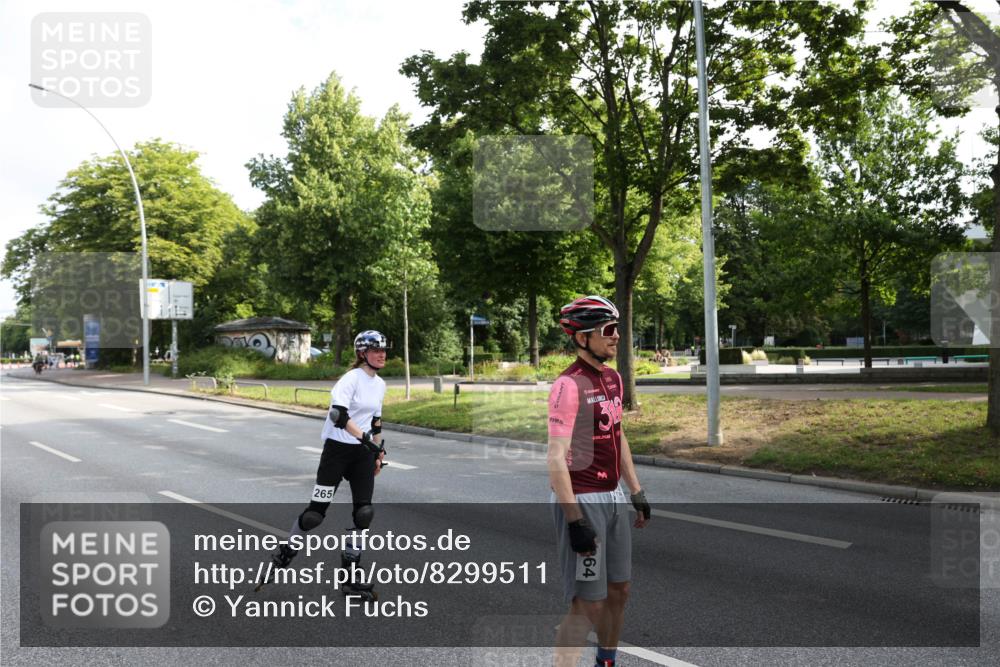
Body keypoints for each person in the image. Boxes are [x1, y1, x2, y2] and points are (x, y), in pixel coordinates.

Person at [547, 295, 651, 667]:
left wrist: (635, 490)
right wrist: (575, 521)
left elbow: (617, 434)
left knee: (619, 590)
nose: (617, 336)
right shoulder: (567, 385)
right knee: (588, 602)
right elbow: (555, 457)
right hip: (584, 500)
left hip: (614, 496)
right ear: (582, 337)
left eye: (617, 329)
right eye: (608, 330)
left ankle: (605, 661)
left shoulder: (613, 378)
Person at [266, 330, 388, 601]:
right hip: (336, 452)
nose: (382, 354)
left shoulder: (379, 383)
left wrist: (378, 451)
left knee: (364, 514)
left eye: (384, 350)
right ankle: (286, 551)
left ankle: (350, 577)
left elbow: (376, 421)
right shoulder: (350, 379)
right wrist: (365, 439)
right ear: (362, 353)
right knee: (314, 515)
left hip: (362, 455)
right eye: (376, 349)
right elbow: (338, 415)